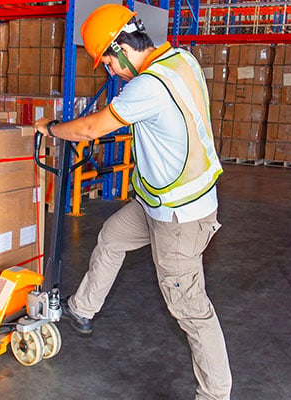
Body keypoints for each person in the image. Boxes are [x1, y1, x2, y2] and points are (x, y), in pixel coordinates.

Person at [34, 4, 232, 400]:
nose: (111, 71)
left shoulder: (148, 87)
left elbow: (92, 127)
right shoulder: (183, 60)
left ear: (121, 48)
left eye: (107, 62)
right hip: (159, 202)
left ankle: (215, 393)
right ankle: (83, 309)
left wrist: (52, 128)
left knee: (190, 309)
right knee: (112, 236)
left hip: (179, 217)